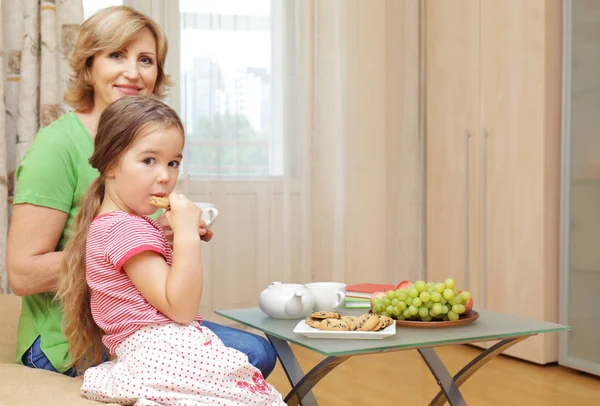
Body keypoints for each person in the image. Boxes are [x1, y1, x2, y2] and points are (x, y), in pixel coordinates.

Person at [6, 5, 276, 378]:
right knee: (250, 354)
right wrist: (121, 247)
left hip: (134, 326)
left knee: (258, 349)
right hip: (67, 339)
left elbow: (135, 257)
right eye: (116, 55)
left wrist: (162, 235)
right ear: (88, 66)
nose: (133, 72)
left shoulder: (145, 144)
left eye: (145, 60)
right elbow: (22, 275)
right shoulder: (57, 147)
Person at [55, 95, 285, 405]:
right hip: (161, 349)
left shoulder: (113, 224)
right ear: (110, 163)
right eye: (149, 160)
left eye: (173, 162)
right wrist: (188, 236)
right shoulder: (126, 228)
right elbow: (180, 308)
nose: (165, 175)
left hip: (147, 352)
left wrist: (170, 236)